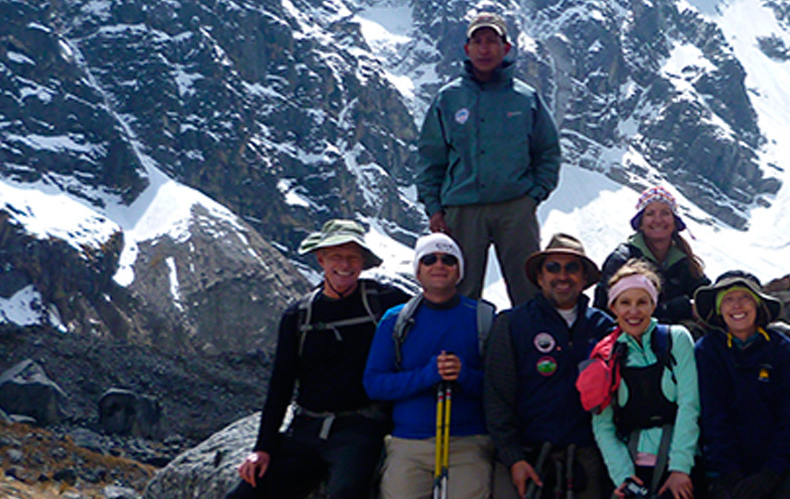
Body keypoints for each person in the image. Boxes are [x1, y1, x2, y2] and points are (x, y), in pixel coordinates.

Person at [229, 219, 410, 499]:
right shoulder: (298, 316)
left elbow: (429, 313)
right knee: (245, 494)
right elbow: (281, 384)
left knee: (346, 492)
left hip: (361, 428)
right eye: (336, 257)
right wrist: (263, 448)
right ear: (321, 259)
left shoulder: (384, 300)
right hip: (305, 429)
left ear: (363, 263)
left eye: (353, 258)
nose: (345, 265)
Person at [416, 11, 561, 307]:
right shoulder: (448, 98)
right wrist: (434, 208)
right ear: (467, 49)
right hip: (462, 210)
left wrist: (533, 196)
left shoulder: (526, 97)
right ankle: (458, 353)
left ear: (506, 48)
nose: (485, 48)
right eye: (478, 41)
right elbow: (431, 158)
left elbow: (548, 151)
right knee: (460, 292)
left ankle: (536, 351)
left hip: (515, 208)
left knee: (529, 290)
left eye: (492, 41)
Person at [485, 233, 617, 499]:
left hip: (586, 458)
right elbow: (496, 397)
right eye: (553, 268)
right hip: (526, 457)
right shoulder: (511, 324)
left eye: (572, 268)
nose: (562, 276)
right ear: (540, 276)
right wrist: (513, 458)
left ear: (584, 278)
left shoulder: (604, 327)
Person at [364, 233, 494, 499]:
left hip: (468, 442)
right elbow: (374, 384)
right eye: (429, 259)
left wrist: (464, 376)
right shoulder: (395, 320)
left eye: (448, 260)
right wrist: (427, 375)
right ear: (418, 271)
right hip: (409, 443)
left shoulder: (484, 318)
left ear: (459, 271)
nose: (439, 265)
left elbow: (499, 386)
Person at [585, 261, 700, 499]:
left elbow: (690, 404)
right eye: (625, 303)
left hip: (680, 468)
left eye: (642, 302)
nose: (633, 311)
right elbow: (602, 425)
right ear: (613, 307)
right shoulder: (605, 355)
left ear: (653, 305)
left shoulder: (676, 339)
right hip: (632, 470)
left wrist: (680, 467)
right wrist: (624, 478)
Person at [692, 271, 790, 499]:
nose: (737, 306)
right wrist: (730, 473)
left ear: (758, 305)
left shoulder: (782, 349)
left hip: (779, 469)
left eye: (744, 298)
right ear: (718, 309)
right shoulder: (708, 351)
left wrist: (771, 473)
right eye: (728, 299)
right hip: (725, 471)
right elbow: (712, 415)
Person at [594, 187, 710, 326]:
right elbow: (605, 311)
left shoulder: (685, 262)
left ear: (674, 223)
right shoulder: (622, 260)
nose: (658, 219)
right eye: (650, 214)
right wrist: (681, 307)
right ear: (641, 223)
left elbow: (706, 294)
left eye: (665, 213)